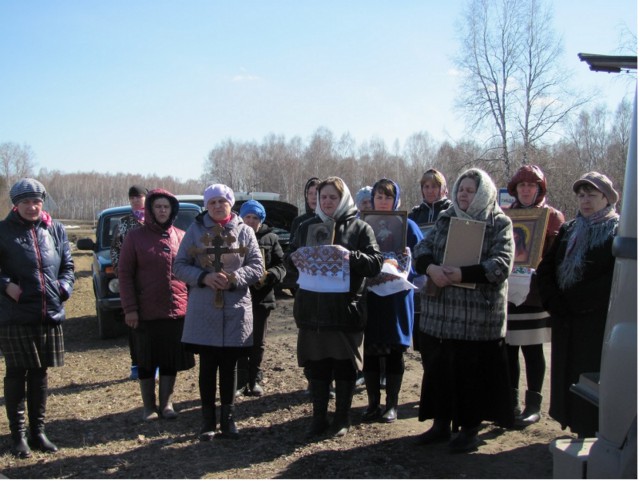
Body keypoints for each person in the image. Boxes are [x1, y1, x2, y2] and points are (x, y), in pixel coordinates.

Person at [413, 168, 515, 453]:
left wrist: (461, 274)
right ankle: (440, 425)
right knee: (439, 371)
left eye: (470, 190)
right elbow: (422, 249)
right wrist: (431, 268)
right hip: (441, 316)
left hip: (477, 319)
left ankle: (470, 430)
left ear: (483, 192)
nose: (463, 194)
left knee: (471, 376)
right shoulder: (447, 218)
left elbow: (501, 264)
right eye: (460, 189)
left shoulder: (499, 223)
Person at [286, 177, 383, 438]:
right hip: (313, 310)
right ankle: (318, 417)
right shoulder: (306, 226)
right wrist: (298, 258)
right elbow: (289, 259)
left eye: (333, 197)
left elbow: (375, 263)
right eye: (323, 197)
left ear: (343, 199)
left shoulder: (360, 228)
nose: (327, 202)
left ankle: (341, 417)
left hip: (345, 311)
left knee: (343, 366)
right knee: (317, 366)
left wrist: (349, 256)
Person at [174, 184, 263, 440]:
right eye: (211, 202)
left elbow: (257, 266)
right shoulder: (195, 230)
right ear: (206, 205)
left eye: (221, 201)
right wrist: (204, 277)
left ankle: (229, 420)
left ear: (230, 204)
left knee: (229, 367)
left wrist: (233, 278)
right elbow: (179, 265)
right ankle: (207, 422)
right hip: (204, 309)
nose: (216, 206)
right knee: (207, 367)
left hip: (235, 308)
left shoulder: (245, 231)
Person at [537, 171, 619, 438]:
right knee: (567, 374)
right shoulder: (570, 229)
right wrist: (555, 302)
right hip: (565, 318)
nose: (585, 200)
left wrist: (576, 303)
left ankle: (591, 431)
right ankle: (572, 425)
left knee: (589, 376)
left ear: (607, 198)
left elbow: (613, 278)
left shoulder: (617, 231)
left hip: (595, 323)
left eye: (591, 195)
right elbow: (546, 268)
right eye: (581, 195)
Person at [0, 178, 74, 458]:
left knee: (41, 374)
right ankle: (18, 436)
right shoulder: (3, 231)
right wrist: (7, 285)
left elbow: (67, 265)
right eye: (26, 202)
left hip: (48, 312)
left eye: (36, 201)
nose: (32, 207)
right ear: (15, 205)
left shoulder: (54, 229)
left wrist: (64, 288)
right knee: (18, 374)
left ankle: (38, 431)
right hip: (15, 313)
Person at [118, 189, 195, 422]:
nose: (162, 210)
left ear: (172, 210)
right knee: (146, 359)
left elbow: (190, 272)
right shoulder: (135, 237)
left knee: (170, 358)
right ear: (150, 210)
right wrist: (130, 308)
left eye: (166, 207)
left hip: (175, 310)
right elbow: (124, 274)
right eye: (158, 206)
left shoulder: (181, 236)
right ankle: (148, 406)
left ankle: (167, 403)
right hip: (145, 311)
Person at [505, 165, 565, 427]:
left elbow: (557, 257)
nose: (526, 190)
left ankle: (533, 405)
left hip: (534, 294)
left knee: (531, 348)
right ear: (515, 189)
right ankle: (510, 402)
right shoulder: (506, 216)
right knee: (509, 349)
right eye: (522, 186)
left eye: (531, 185)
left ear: (540, 188)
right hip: (509, 292)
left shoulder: (551, 216)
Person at [362, 179, 423, 424]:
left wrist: (408, 262)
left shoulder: (408, 225)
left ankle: (392, 406)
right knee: (371, 349)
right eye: (379, 196)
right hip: (372, 296)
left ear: (395, 199)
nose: (383, 201)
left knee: (394, 349)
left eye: (388, 197)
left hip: (397, 297)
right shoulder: (363, 224)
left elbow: (421, 258)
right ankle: (373, 403)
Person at [236, 200, 286, 397]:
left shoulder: (271, 238)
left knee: (258, 341)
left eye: (255, 218)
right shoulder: (235, 235)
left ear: (261, 220)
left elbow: (281, 264)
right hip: (239, 297)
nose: (250, 221)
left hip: (262, 297)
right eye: (247, 217)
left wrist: (271, 275)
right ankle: (239, 381)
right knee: (239, 340)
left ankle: (254, 379)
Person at [408, 169, 452, 355]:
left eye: (434, 186)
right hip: (420, 281)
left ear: (443, 189)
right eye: (426, 186)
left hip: (446, 277)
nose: (430, 190)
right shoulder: (414, 216)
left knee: (444, 338)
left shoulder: (452, 212)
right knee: (423, 338)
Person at [110, 184, 148, 381]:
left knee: (153, 324)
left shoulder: (156, 220)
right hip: (131, 281)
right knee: (133, 323)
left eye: (139, 197)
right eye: (132, 198)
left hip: (152, 281)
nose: (135, 200)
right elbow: (115, 248)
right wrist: (120, 270)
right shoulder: (124, 223)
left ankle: (153, 363)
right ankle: (136, 363)